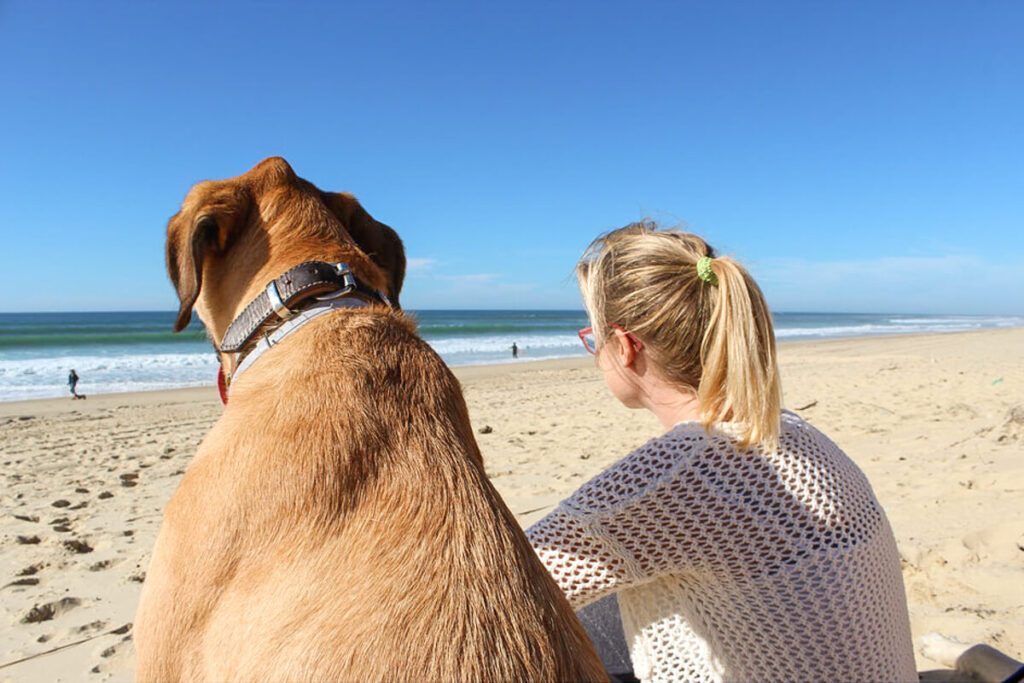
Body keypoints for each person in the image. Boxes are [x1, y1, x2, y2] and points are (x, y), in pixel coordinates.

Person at [527, 221, 917, 683]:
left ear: (628, 347)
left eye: (594, 339)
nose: (594, 352)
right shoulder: (794, 431)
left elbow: (493, 582)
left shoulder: (671, 479)